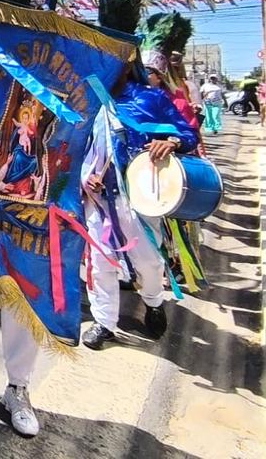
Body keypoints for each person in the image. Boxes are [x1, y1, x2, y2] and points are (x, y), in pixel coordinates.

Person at [81, 71, 200, 349]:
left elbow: (187, 133)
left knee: (148, 261)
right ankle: (104, 322)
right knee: (100, 263)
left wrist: (171, 142)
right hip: (98, 198)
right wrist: (86, 177)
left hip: (143, 194)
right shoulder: (86, 100)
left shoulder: (151, 97)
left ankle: (153, 301)